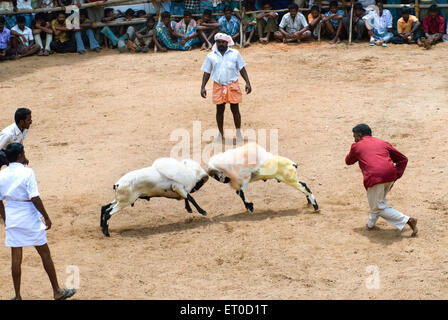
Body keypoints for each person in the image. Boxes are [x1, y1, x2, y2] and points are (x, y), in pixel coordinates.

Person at [0, 143, 77, 300]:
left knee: (16, 257)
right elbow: (34, 197)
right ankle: (57, 291)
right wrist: (46, 216)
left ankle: (17, 295)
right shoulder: (28, 172)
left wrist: (6, 218)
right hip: (28, 216)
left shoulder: (1, 175)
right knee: (45, 254)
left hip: (12, 215)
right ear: (20, 155)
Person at [345, 124, 418, 236]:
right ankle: (370, 225)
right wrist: (396, 175)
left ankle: (408, 220)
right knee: (378, 202)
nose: (354, 138)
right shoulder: (382, 142)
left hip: (375, 177)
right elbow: (403, 159)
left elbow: (348, 161)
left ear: (359, 135)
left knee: (378, 207)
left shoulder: (357, 146)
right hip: (390, 174)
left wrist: (355, 147)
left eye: (354, 136)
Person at [201, 33, 252, 142]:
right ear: (216, 43)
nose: (221, 44)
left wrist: (247, 82)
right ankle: (220, 133)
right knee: (219, 110)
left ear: (227, 42)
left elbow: (242, 68)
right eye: (218, 42)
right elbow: (206, 72)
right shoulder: (211, 56)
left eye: (223, 42)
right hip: (218, 86)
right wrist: (203, 87)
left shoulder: (235, 53)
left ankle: (238, 133)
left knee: (235, 109)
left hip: (233, 84)